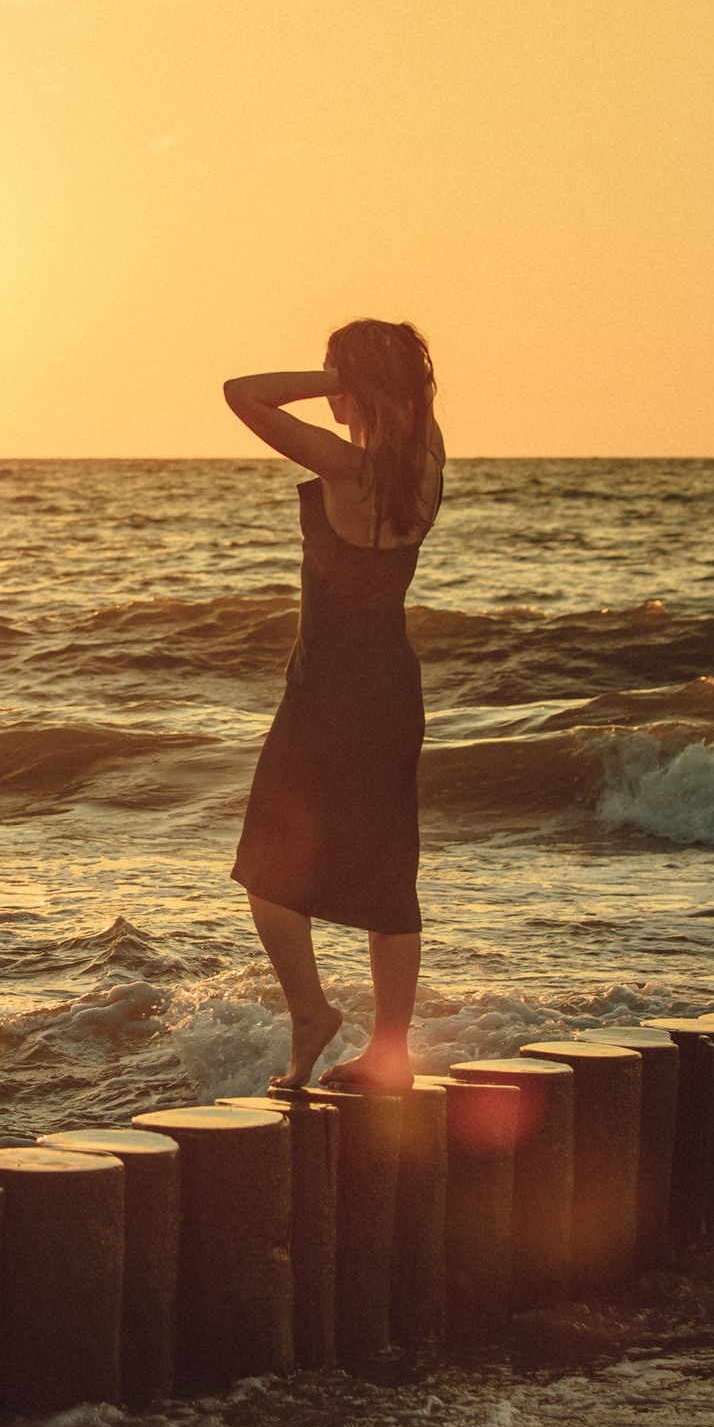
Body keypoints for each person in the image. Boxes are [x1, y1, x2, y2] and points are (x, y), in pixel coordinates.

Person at [223, 319, 444, 1092]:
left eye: (336, 377)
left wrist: (333, 382)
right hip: (392, 689)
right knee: (390, 872)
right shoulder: (427, 466)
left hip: (326, 691)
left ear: (354, 384)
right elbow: (414, 413)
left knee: (264, 863)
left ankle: (311, 1010)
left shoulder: (345, 467)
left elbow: (239, 394)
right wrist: (378, 384)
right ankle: (390, 1054)